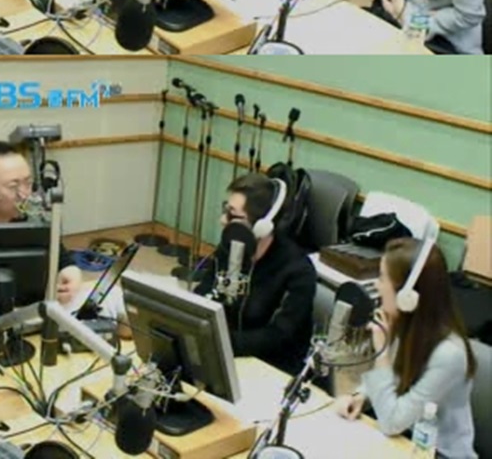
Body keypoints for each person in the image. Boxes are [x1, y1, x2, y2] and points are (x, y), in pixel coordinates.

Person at [335, 238, 477, 459]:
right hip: (402, 438)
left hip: (437, 452)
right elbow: (393, 380)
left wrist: (382, 351)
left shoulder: (449, 355)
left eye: (382, 278)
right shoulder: (406, 325)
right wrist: (361, 396)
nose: (377, 286)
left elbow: (392, 422)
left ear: (407, 296)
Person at [195, 173, 317, 375]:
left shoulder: (298, 272)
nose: (223, 220)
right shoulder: (228, 250)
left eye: (232, 216)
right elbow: (203, 294)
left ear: (262, 226)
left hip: (271, 368)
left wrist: (220, 342)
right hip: (226, 355)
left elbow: (278, 336)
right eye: (225, 210)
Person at [0, 139, 83, 306]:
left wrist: (71, 272)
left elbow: (61, 258)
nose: (24, 194)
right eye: (13, 186)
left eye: (28, 182)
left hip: (21, 309)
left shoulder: (33, 215)